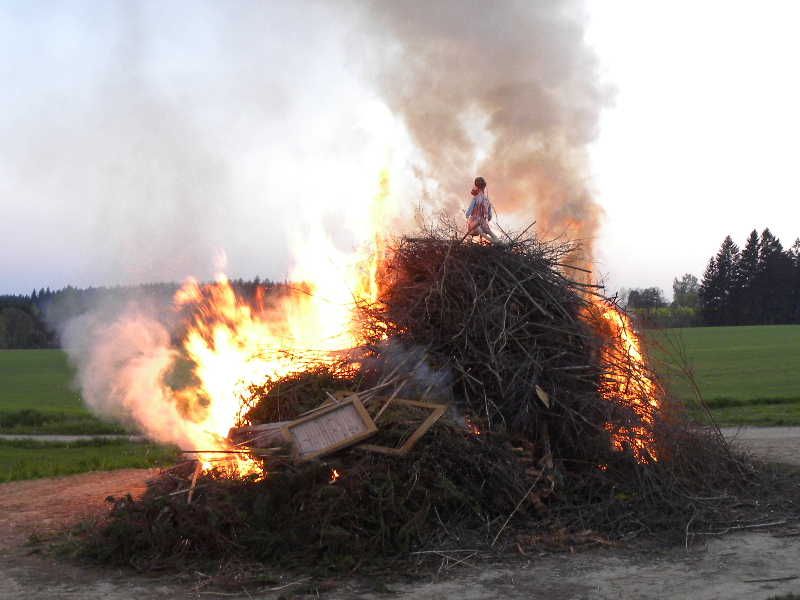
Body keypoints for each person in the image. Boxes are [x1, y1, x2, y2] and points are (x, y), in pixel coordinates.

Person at [464, 176, 501, 244]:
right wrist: (486, 218)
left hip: (474, 221)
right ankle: (497, 241)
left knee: (479, 230)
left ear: (477, 186)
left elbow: (468, 212)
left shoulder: (475, 198)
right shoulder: (487, 200)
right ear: (484, 187)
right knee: (487, 231)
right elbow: (489, 216)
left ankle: (495, 241)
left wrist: (467, 215)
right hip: (482, 221)